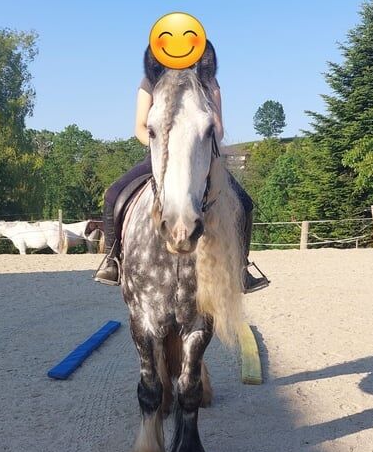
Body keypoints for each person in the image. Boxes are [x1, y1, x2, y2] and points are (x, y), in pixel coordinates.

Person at [94, 43, 268, 292]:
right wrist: (163, 145)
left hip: (200, 156)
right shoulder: (149, 82)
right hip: (161, 156)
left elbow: (217, 128)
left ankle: (242, 268)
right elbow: (140, 128)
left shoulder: (210, 84)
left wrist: (200, 144)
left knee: (244, 203)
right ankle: (112, 260)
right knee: (113, 195)